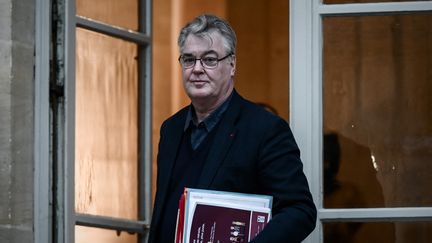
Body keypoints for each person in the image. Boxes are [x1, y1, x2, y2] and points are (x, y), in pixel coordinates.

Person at [148, 14, 316, 243]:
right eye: (188, 59)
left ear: (232, 64)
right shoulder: (171, 129)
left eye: (209, 59)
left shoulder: (264, 129)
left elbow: (299, 211)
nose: (197, 69)